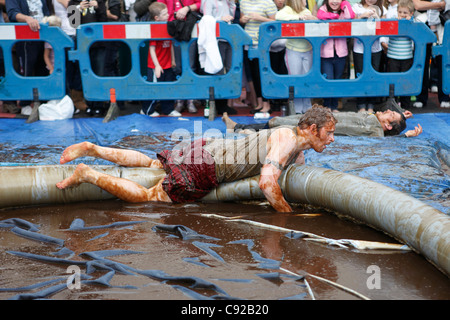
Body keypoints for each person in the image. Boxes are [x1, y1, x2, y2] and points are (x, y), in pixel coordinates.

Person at [56, 105, 337, 213]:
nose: (332, 139)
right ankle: (88, 174)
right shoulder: (286, 139)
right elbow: (267, 182)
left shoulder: (292, 142)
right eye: (329, 133)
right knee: (149, 197)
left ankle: (94, 149)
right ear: (312, 129)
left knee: (153, 164)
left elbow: (289, 164)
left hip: (208, 147)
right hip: (206, 166)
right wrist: (288, 216)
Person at [222, 106, 423, 137]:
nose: (388, 110)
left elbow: (386, 141)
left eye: (391, 115)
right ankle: (239, 127)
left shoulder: (376, 131)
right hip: (323, 117)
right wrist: (402, 116)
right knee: (279, 120)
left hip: (321, 125)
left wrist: (405, 135)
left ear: (387, 126)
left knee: (280, 124)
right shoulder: (370, 117)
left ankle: (241, 129)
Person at [6, 0, 51, 114]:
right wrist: (27, 18)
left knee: (44, 69)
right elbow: (12, 13)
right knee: (26, 70)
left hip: (44, 36)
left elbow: (46, 12)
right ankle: (25, 103)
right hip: (26, 38)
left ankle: (44, 101)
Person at [159, 0, 201, 114]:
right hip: (172, 29)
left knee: (190, 66)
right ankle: (179, 100)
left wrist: (187, 8)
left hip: (189, 28)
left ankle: (190, 100)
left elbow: (200, 4)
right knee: (177, 67)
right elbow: (160, 5)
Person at [275, 0, 317, 114]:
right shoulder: (288, 10)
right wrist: (299, 18)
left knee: (307, 80)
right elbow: (279, 16)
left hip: (308, 50)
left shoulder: (306, 11)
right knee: (295, 80)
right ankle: (297, 111)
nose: (306, 1)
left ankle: (307, 109)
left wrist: (313, 19)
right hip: (293, 51)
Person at [141, 1, 180, 117]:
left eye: (168, 13)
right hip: (156, 66)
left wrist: (173, 60)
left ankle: (168, 109)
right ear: (157, 18)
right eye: (165, 14)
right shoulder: (155, 29)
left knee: (168, 87)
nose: (168, 15)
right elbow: (152, 49)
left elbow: (171, 44)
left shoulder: (168, 27)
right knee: (154, 88)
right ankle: (147, 110)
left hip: (167, 64)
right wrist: (157, 65)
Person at [68, 0, 108, 116]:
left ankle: (99, 105)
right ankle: (90, 104)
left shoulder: (98, 1)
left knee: (99, 73)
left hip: (98, 44)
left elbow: (104, 21)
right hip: (83, 45)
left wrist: (98, 7)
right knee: (85, 74)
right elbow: (72, 23)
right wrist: (78, 9)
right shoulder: (73, 2)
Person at [200, 0, 238, 115]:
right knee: (217, 71)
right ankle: (215, 104)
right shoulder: (208, 1)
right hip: (215, 41)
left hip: (228, 38)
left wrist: (232, 4)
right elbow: (206, 19)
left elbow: (232, 15)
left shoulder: (228, 1)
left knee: (229, 70)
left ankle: (223, 104)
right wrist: (220, 19)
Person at [240, 0, 278, 114]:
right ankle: (259, 103)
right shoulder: (243, 2)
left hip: (263, 43)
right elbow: (241, 20)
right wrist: (243, 20)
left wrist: (260, 18)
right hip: (248, 42)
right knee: (254, 75)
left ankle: (267, 104)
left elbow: (276, 22)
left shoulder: (268, 3)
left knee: (263, 74)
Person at [317, 0, 355, 112]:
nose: (335, 1)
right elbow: (320, 15)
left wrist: (344, 4)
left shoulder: (344, 10)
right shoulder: (323, 8)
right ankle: (327, 105)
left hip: (340, 52)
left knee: (338, 79)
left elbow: (350, 16)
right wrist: (334, 16)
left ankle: (334, 105)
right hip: (326, 53)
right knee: (328, 79)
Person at [352, 0, 386, 113]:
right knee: (360, 75)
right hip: (359, 48)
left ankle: (371, 105)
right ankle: (361, 105)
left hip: (375, 48)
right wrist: (362, 16)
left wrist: (377, 18)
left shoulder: (382, 9)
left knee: (373, 76)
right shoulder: (356, 7)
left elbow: (384, 28)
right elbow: (351, 25)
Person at [384, 0, 414, 109]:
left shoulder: (412, 23)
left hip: (406, 58)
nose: (402, 15)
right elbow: (386, 30)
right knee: (393, 82)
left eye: (405, 13)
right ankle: (393, 107)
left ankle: (406, 107)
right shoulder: (393, 21)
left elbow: (416, 27)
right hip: (393, 57)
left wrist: (410, 21)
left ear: (411, 14)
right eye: (400, 12)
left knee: (406, 82)